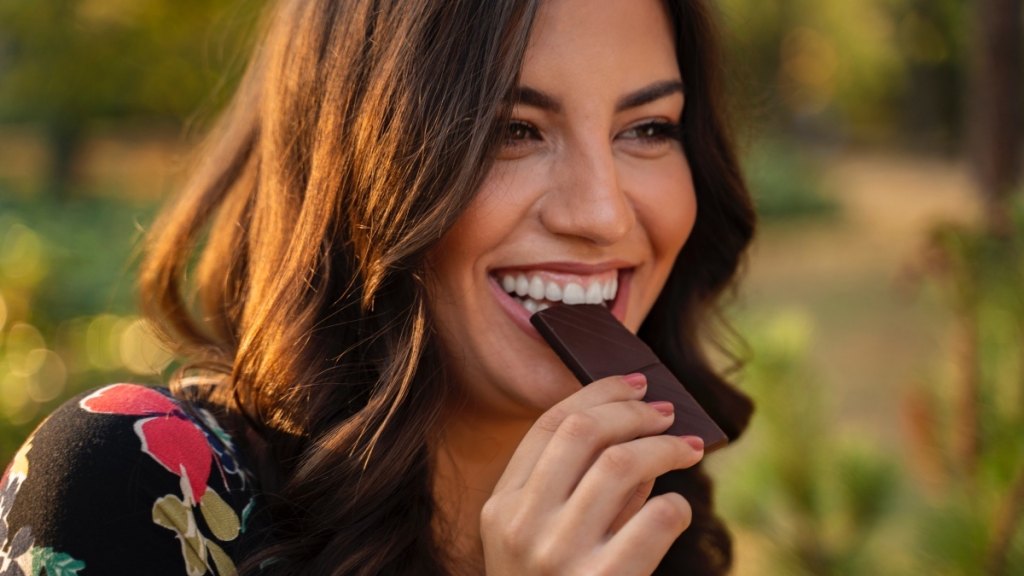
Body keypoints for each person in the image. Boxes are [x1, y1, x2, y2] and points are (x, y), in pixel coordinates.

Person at [0, 0, 755, 573]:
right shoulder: (130, 487)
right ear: (356, 164)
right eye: (510, 131)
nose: (600, 213)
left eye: (649, 128)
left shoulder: (651, 519)